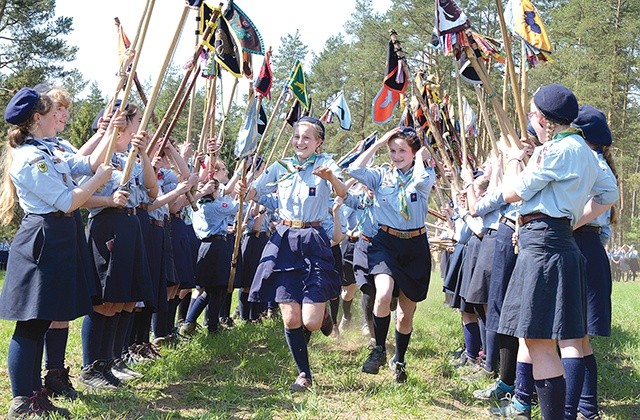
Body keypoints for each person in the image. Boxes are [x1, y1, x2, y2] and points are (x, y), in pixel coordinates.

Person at [498, 84, 618, 419]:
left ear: (543, 119)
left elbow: (511, 192)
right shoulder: (585, 150)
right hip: (559, 241)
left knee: (538, 341)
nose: (530, 118)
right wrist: (574, 220)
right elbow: (609, 193)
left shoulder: (557, 151)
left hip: (543, 246)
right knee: (554, 339)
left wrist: (511, 160)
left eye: (533, 113)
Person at [0, 87, 112, 418]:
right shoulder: (30, 157)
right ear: (37, 119)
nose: (58, 120)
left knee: (45, 317)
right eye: (52, 115)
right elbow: (67, 201)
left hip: (60, 236)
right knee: (32, 322)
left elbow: (86, 163)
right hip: (43, 237)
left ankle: (35, 393)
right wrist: (99, 180)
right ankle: (23, 400)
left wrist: (111, 132)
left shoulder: (49, 149)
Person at [247, 116, 347, 390]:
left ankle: (322, 313)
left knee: (311, 323)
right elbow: (255, 190)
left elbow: (343, 192)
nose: (300, 142)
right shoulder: (282, 166)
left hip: (314, 238)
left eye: (307, 138)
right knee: (291, 316)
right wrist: (246, 190)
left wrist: (331, 178)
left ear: (318, 142)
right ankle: (304, 375)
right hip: (284, 238)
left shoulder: (326, 164)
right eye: (296, 137)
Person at [348, 126, 435, 383]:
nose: (396, 156)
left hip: (415, 246)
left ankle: (400, 358)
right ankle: (378, 350)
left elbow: (419, 180)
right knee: (383, 294)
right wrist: (378, 144)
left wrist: (420, 157)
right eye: (393, 150)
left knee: (406, 314)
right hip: (386, 242)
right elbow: (353, 169)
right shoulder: (381, 176)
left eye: (402, 151)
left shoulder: (425, 174)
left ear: (414, 152)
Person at [570, 105, 619, 420]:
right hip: (589, 249)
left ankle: (569, 410)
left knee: (571, 337)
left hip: (579, 248)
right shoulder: (597, 162)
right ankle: (587, 409)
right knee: (580, 339)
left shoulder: (590, 165)